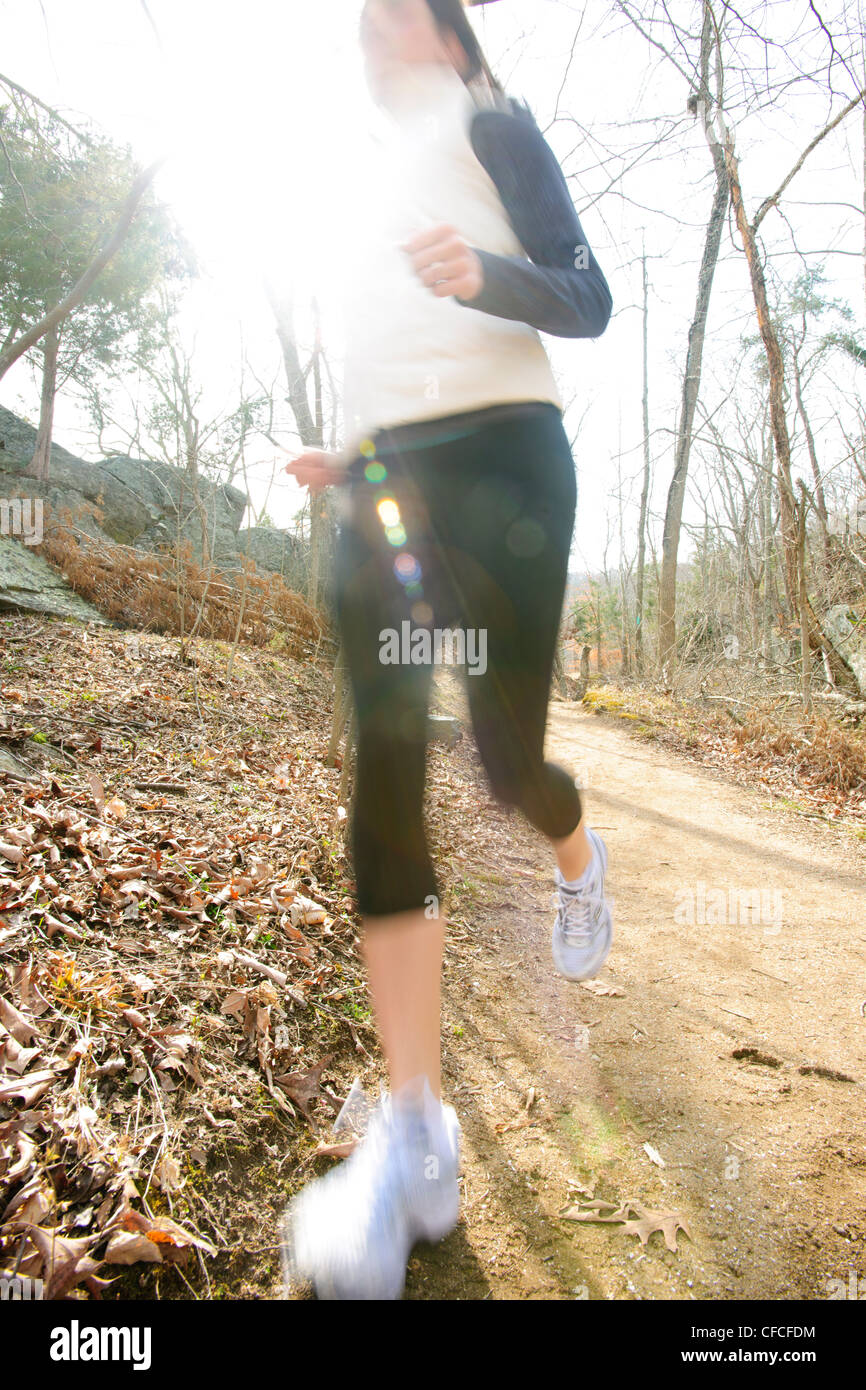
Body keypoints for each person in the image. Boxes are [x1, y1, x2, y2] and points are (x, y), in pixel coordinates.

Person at [281, 0, 614, 1300]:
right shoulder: (360, 172)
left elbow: (585, 292)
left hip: (508, 459)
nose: (361, 32)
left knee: (502, 760)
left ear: (443, 26)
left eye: (383, 14)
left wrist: (491, 275)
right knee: (381, 760)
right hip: (384, 479)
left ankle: (574, 853)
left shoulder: (496, 125)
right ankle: (414, 1134)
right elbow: (380, 348)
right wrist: (353, 453)